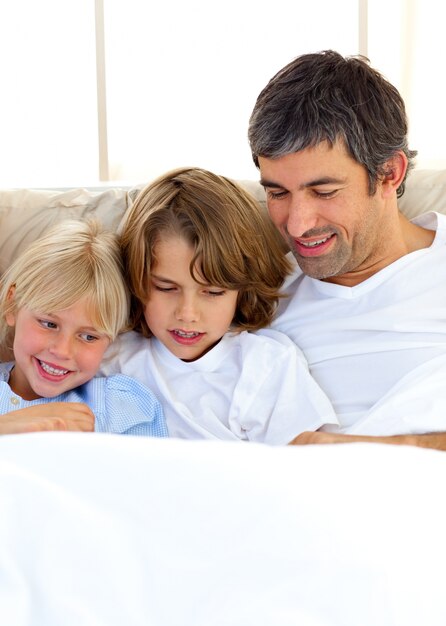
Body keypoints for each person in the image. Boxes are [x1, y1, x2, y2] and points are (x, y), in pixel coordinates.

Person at [248, 49, 446, 449]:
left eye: (324, 192)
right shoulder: (258, 300)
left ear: (389, 173)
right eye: (278, 193)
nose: (298, 224)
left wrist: (377, 451)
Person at [100, 166, 337, 442]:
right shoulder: (110, 352)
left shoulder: (262, 364)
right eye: (166, 288)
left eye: (212, 292)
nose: (187, 314)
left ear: (242, 288)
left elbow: (312, 454)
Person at [0, 219, 168, 437]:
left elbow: (152, 470)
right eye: (49, 324)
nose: (62, 351)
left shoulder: (120, 405)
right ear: (12, 306)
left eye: (89, 337)